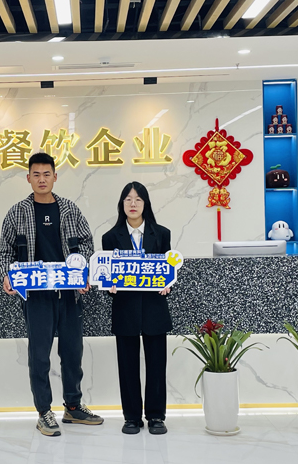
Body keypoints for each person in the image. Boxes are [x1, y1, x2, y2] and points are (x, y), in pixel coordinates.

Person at [0, 152, 104, 436]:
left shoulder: (70, 210)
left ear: (55, 177)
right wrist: (6, 275)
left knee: (72, 352)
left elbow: (87, 244)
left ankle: (73, 406)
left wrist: (83, 272)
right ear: (28, 178)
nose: (42, 179)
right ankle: (44, 411)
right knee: (39, 355)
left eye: (47, 174)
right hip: (36, 296)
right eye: (36, 174)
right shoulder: (17, 213)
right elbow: (4, 252)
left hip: (69, 294)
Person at [101, 181, 172, 435]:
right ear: (122, 204)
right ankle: (131, 417)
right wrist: (108, 285)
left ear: (145, 204)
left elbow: (168, 269)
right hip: (125, 309)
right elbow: (107, 273)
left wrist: (168, 283)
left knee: (156, 365)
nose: (133, 204)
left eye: (138, 199)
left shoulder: (162, 234)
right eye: (128, 199)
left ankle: (156, 416)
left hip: (154, 308)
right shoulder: (110, 237)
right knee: (128, 366)